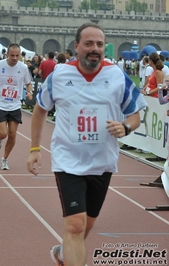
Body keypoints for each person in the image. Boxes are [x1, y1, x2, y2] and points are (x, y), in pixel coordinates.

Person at [26, 22, 147, 266]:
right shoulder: (60, 74)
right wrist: (35, 149)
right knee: (75, 224)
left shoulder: (117, 76)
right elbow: (40, 109)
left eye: (100, 44)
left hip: (102, 162)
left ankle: (63, 254)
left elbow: (135, 114)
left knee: (87, 224)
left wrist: (126, 127)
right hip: (68, 160)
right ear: (76, 46)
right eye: (89, 43)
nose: (95, 48)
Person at [0, 43, 33, 170]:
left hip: (15, 104)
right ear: (7, 54)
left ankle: (5, 159)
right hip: (0, 103)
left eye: (17, 55)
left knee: (13, 134)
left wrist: (30, 92)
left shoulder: (23, 67)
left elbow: (28, 83)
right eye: (12, 55)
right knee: (4, 133)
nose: (15, 58)